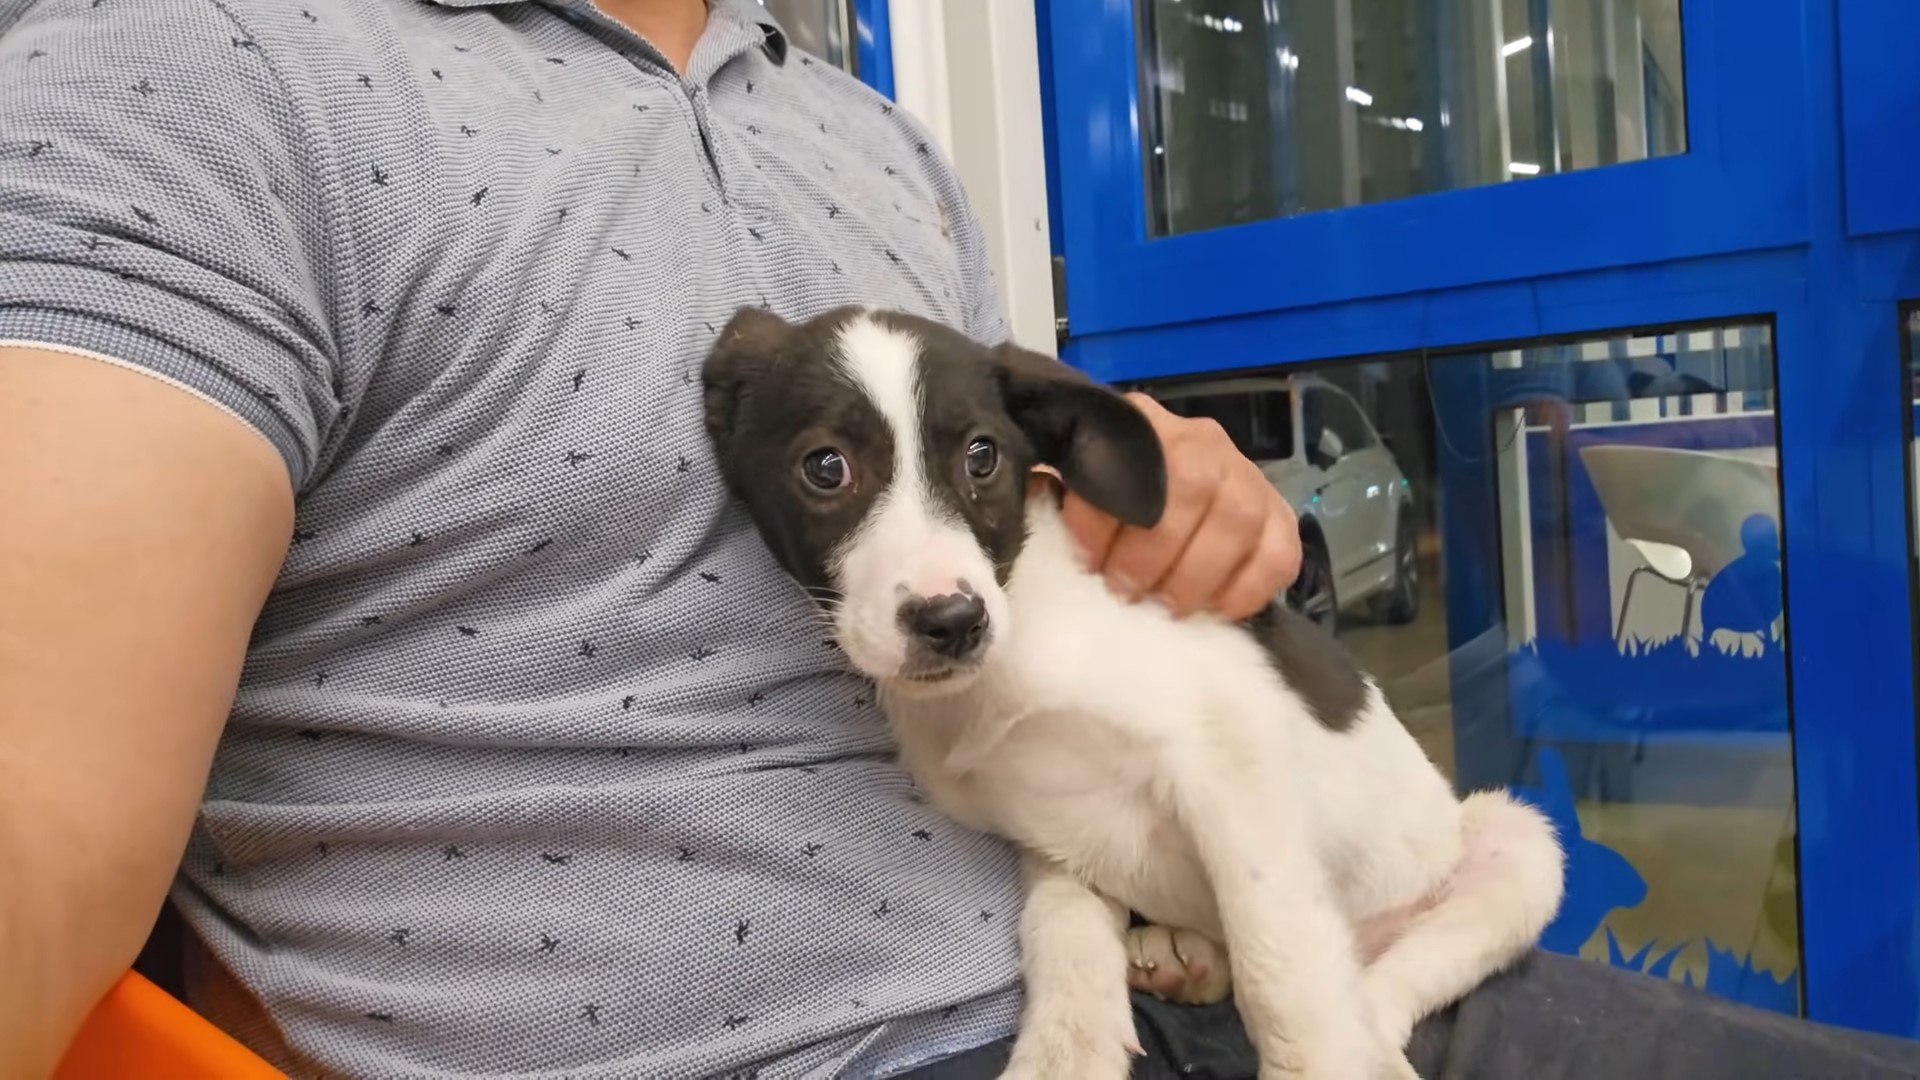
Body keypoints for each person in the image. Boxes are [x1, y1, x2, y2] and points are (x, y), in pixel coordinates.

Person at [1, 1, 1917, 1078]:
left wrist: (1169, 496)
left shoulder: (873, 142)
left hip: (1163, 977)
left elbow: (1002, 515)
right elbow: (38, 812)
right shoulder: (186, 82)